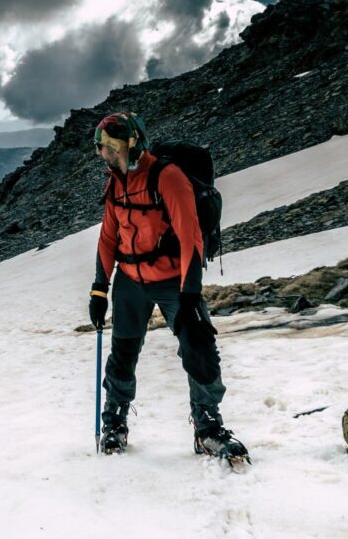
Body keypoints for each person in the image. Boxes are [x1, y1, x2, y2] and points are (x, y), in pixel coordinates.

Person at [88, 112, 248, 462]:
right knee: (123, 354)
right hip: (130, 282)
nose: (105, 155)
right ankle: (114, 420)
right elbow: (108, 236)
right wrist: (99, 289)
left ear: (131, 143)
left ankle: (207, 425)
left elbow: (191, 236)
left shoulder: (168, 178)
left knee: (199, 349)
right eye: (102, 148)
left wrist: (190, 292)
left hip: (174, 282)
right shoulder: (116, 182)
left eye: (110, 148)